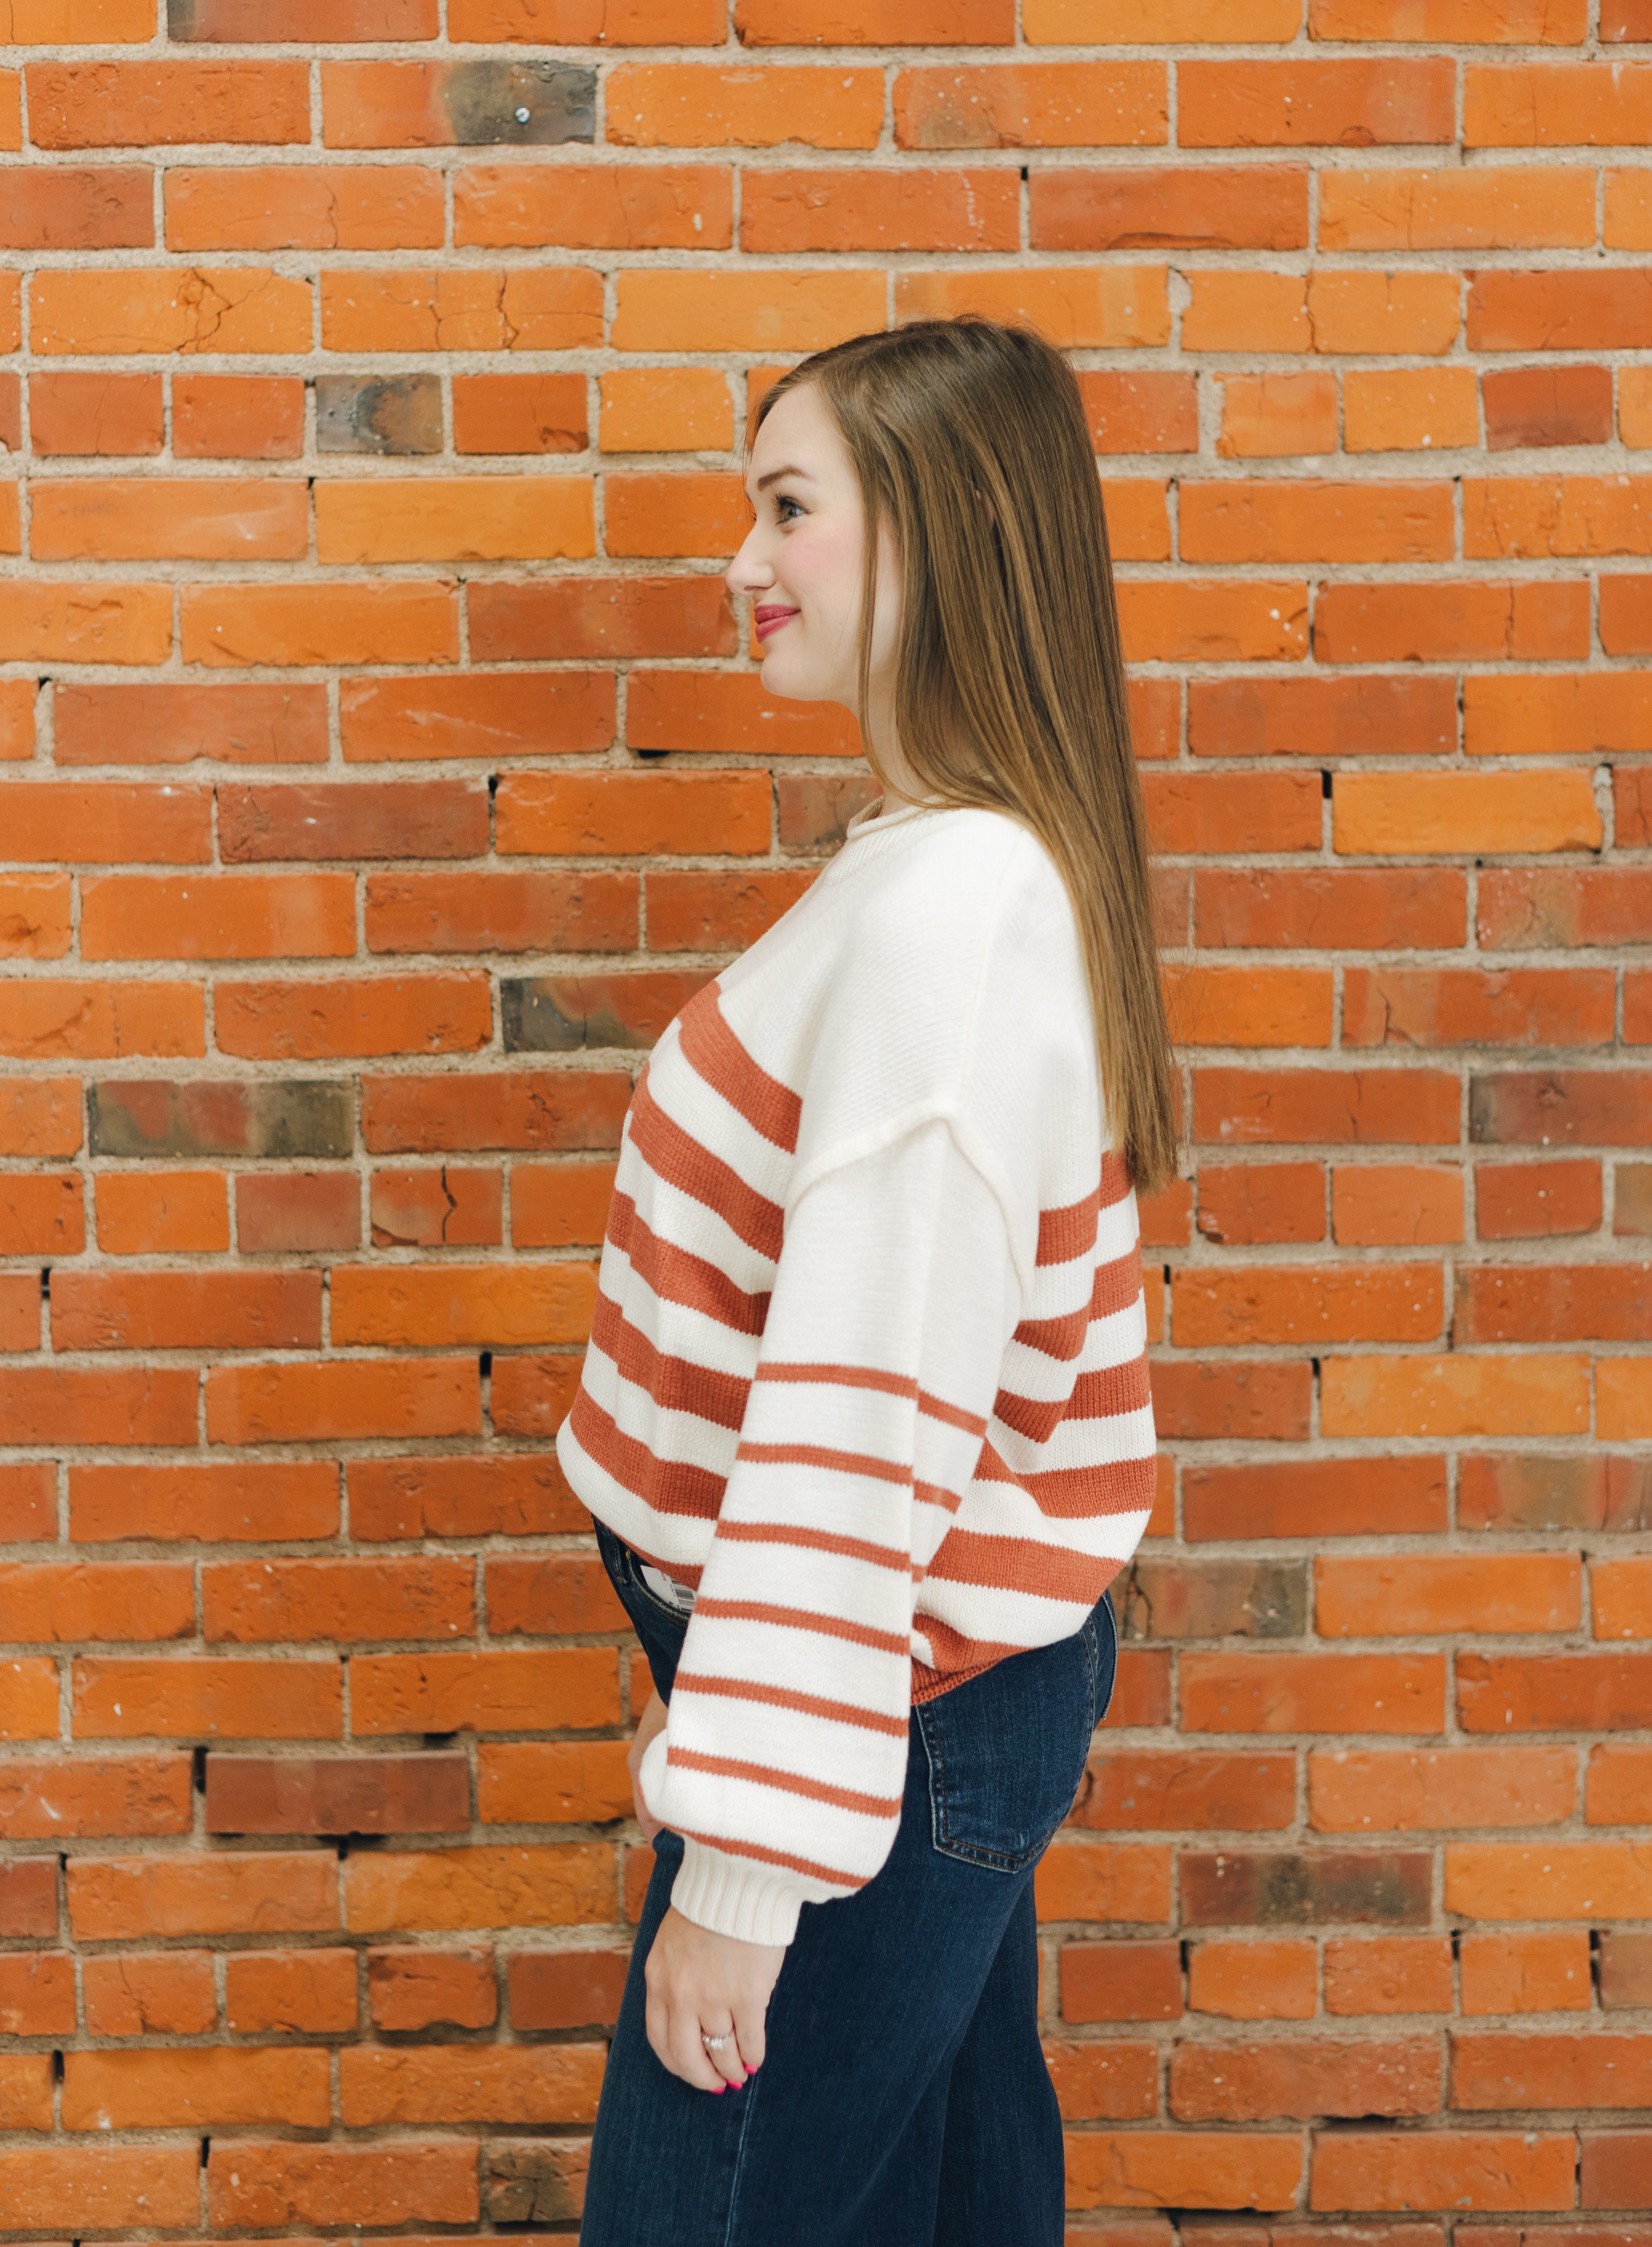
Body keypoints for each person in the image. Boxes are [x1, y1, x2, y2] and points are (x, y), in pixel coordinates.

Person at [559, 316, 1180, 2246]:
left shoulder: (954, 917)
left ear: (939, 531)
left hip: (868, 1733)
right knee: (949, 2202)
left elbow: (859, 1429)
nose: (744, 563)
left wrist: (738, 1876)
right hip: (900, 1719)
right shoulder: (940, 870)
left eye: (789, 507)